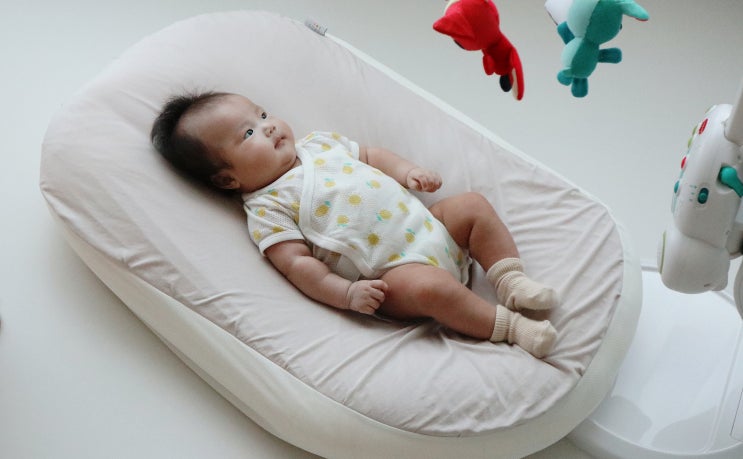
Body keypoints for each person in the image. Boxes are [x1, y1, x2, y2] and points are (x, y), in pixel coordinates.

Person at [151, 92, 559, 358]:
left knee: (471, 206)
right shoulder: (267, 207)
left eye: (261, 113)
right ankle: (510, 328)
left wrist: (408, 172)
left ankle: (511, 281)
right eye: (248, 132)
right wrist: (345, 293)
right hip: (394, 275)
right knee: (433, 289)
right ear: (227, 179)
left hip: (431, 229)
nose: (269, 125)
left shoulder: (319, 144)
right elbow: (297, 265)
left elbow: (371, 155)